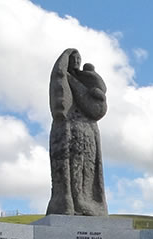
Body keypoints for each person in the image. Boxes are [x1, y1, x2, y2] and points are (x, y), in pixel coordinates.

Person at [46, 48, 108, 216]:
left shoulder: (84, 81)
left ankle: (86, 202)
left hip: (88, 132)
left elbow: (97, 107)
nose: (77, 63)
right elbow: (61, 106)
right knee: (70, 170)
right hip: (68, 130)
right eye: (73, 59)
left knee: (87, 170)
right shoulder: (65, 80)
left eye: (78, 59)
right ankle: (72, 203)